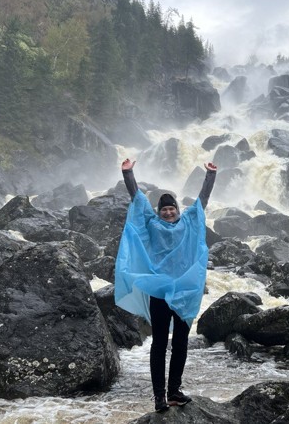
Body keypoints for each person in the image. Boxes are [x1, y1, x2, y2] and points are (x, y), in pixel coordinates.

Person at [114, 158, 217, 413]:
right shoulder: (152, 225)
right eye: (164, 210)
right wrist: (128, 173)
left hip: (185, 292)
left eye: (172, 209)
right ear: (159, 212)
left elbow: (201, 203)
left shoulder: (188, 223)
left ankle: (174, 392)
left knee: (181, 343)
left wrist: (210, 176)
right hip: (159, 292)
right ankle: (159, 396)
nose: (168, 212)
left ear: (177, 210)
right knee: (160, 343)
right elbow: (137, 200)